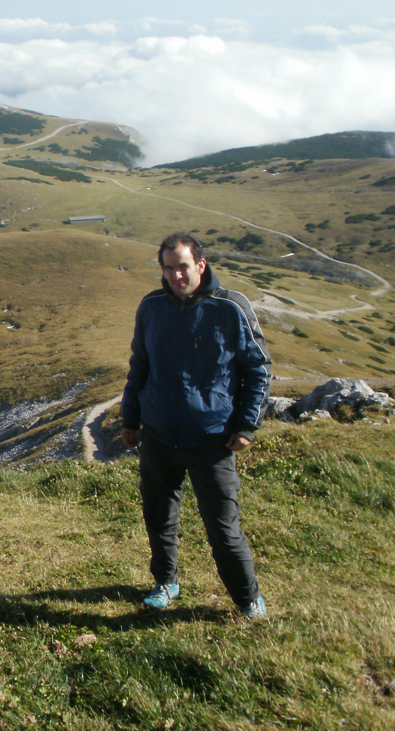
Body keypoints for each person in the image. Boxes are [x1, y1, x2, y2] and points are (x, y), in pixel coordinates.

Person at [121, 232, 271, 619]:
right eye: (168, 268)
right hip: (158, 434)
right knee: (158, 516)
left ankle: (248, 600)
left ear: (200, 265)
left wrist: (247, 425)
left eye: (183, 267)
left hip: (211, 438)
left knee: (223, 527)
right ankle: (165, 582)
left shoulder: (231, 307)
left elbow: (258, 369)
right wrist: (131, 418)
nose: (176, 275)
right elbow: (140, 365)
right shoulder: (151, 306)